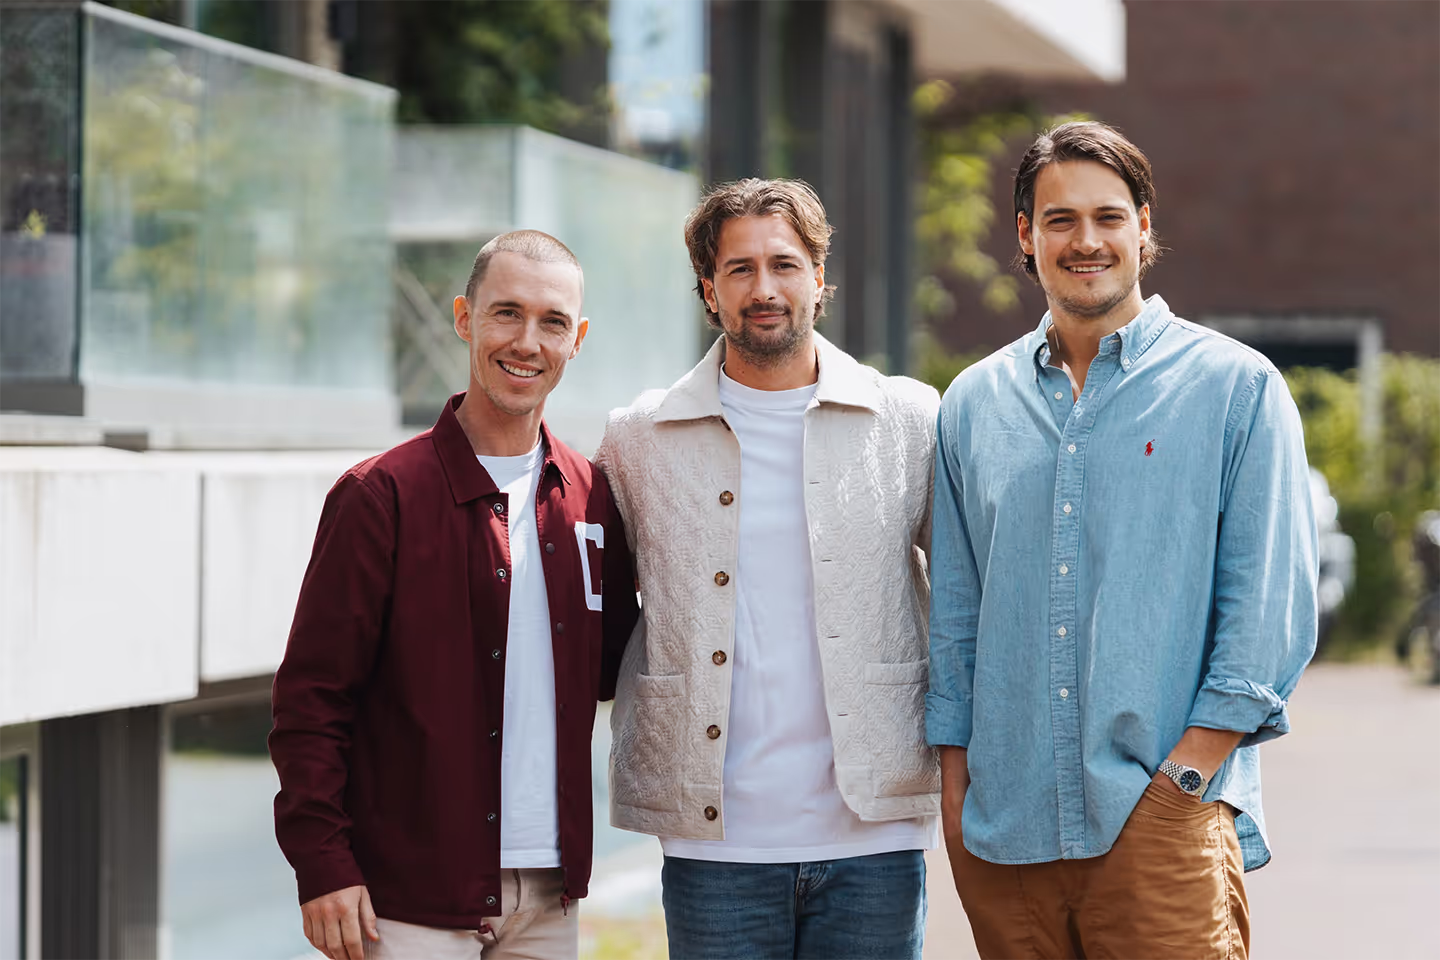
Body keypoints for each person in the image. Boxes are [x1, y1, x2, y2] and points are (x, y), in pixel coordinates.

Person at [926, 121, 1318, 959]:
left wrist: (1182, 783)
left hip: (1161, 819)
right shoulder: (970, 403)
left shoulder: (1235, 388)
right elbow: (956, 614)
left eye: (1108, 216)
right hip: (1006, 835)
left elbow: (1267, 611)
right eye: (1059, 219)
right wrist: (957, 794)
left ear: (1144, 227)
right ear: (1025, 236)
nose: (1086, 240)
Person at [269, 230, 639, 960]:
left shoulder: (594, 498)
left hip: (549, 898)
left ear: (579, 338)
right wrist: (322, 865)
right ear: (465, 318)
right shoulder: (380, 497)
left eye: (552, 322)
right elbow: (311, 701)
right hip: (407, 901)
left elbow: (616, 667)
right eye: (506, 313)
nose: (527, 341)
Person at [596, 178, 940, 960]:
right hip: (714, 843)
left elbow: (967, 602)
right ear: (708, 291)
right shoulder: (639, 437)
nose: (764, 289)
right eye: (739, 269)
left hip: (875, 836)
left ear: (820, 277)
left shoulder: (909, 420)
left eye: (784, 264)